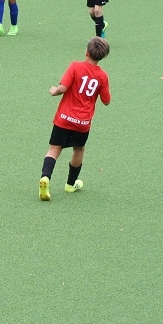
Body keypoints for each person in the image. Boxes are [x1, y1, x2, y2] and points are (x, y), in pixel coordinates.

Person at [39, 37, 111, 201]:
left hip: (64, 118)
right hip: (83, 122)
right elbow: (106, 101)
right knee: (78, 150)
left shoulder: (75, 66)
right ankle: (70, 184)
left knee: (54, 149)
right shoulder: (102, 76)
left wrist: (54, 91)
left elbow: (63, 88)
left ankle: (45, 177)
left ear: (86, 52)